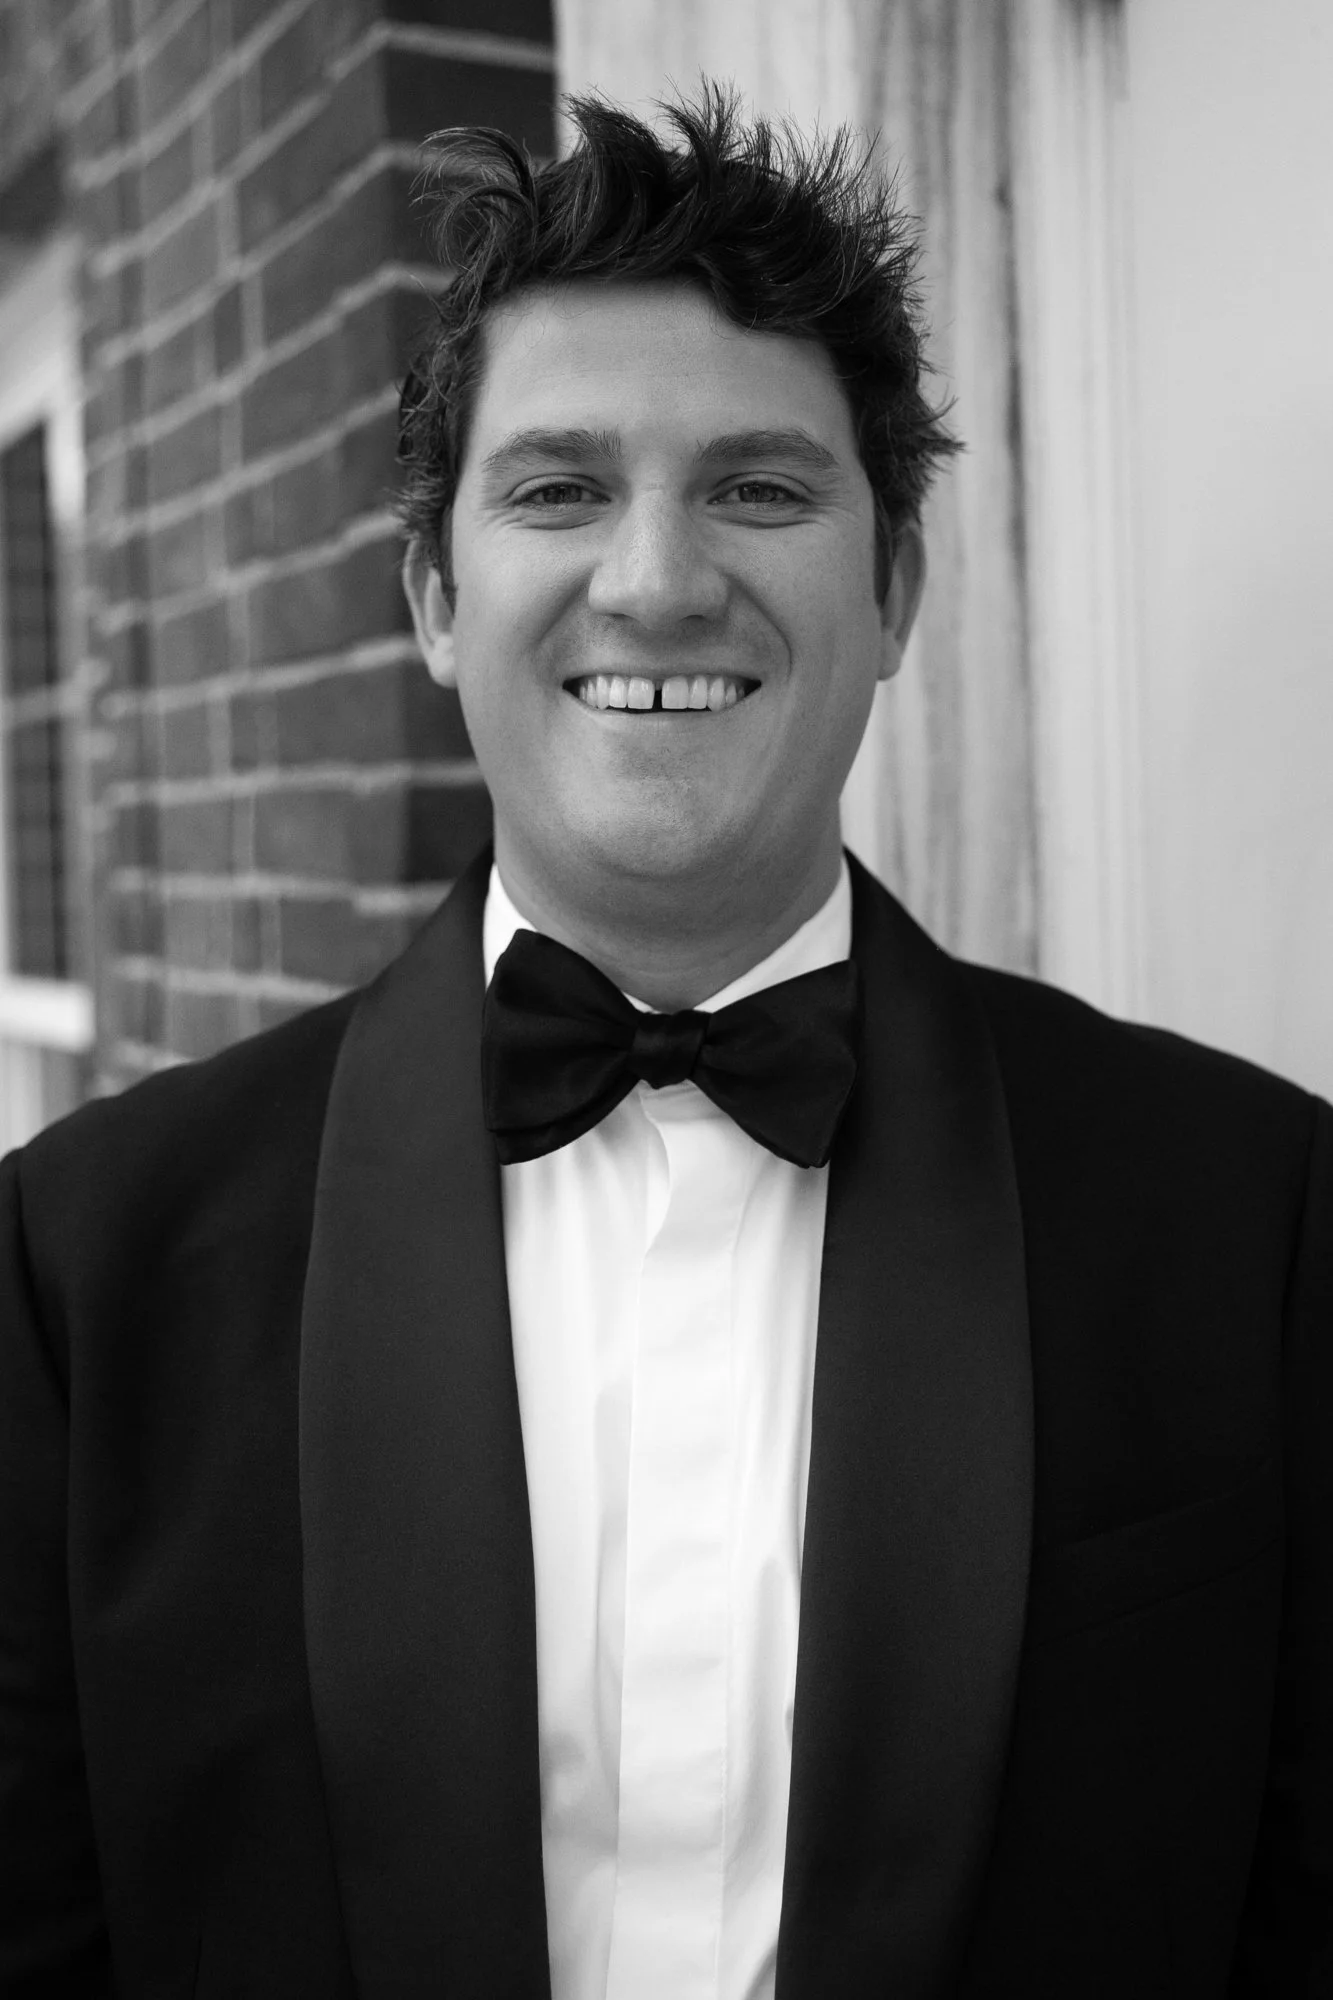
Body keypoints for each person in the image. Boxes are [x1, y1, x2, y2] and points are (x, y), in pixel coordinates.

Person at [1, 85, 1329, 2000]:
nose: (654, 579)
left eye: (760, 487)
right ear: (436, 598)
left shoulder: (1253, 1220)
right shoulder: (82, 1269)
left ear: (893, 592)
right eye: (557, 488)